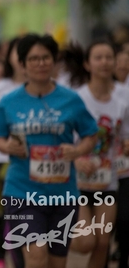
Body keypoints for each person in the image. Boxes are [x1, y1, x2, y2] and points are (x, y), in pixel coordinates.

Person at [0, 33, 98, 268]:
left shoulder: (71, 100)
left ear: (54, 61)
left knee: (57, 263)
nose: (40, 63)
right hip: (22, 191)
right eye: (33, 59)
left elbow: (91, 134)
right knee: (36, 256)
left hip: (62, 193)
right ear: (22, 64)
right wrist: (7, 146)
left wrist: (77, 151)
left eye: (46, 58)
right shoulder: (9, 101)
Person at [64, 41, 129, 268]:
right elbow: (61, 138)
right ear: (87, 64)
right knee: (86, 242)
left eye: (109, 57)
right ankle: (54, 234)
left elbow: (125, 137)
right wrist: (76, 159)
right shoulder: (76, 99)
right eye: (98, 58)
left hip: (107, 181)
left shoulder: (122, 101)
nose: (104, 62)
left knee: (102, 243)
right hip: (76, 182)